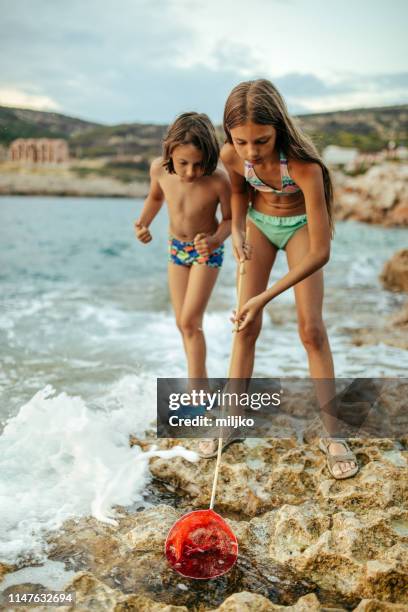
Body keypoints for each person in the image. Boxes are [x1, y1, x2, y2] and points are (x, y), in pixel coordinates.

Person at [199, 80, 358, 480]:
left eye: (262, 140)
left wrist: (264, 297)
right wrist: (235, 231)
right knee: (245, 326)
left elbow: (322, 252)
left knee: (311, 331)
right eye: (242, 141)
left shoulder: (306, 168)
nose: (251, 151)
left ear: (280, 128)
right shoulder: (232, 155)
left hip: (300, 228)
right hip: (259, 228)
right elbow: (237, 193)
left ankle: (334, 435)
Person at [134, 112, 231, 382]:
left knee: (190, 321)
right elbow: (155, 197)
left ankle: (197, 388)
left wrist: (214, 240)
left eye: (198, 164)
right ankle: (197, 381)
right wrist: (143, 224)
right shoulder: (159, 170)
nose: (190, 172)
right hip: (176, 249)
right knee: (182, 324)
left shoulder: (218, 180)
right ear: (169, 154)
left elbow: (231, 219)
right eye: (183, 163)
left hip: (206, 252)